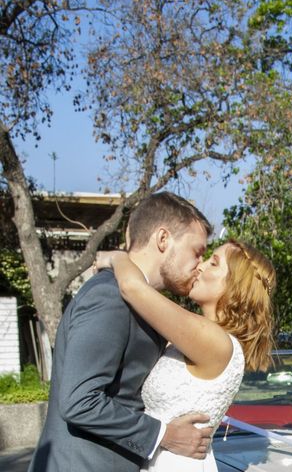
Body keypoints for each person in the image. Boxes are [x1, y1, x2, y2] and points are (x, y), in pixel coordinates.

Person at [29, 192, 215, 472]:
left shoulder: (143, 304)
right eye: (197, 251)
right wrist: (164, 435)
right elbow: (80, 400)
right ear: (163, 239)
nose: (199, 264)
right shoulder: (109, 297)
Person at [95, 238, 275, 471]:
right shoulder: (195, 338)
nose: (200, 265)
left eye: (213, 263)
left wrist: (115, 257)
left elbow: (132, 287)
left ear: (235, 286)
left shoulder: (214, 340)